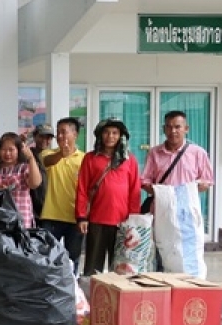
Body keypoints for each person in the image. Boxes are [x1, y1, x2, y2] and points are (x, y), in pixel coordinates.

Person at [76, 119, 141, 276]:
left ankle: (116, 297)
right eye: (106, 132)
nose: (110, 136)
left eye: (115, 133)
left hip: (122, 221)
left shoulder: (129, 160)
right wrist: (81, 217)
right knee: (92, 266)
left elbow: (134, 190)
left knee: (119, 266)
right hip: (97, 220)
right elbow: (82, 188)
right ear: (100, 135)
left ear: (121, 136)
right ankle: (91, 295)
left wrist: (133, 219)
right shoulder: (90, 158)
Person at [40, 117, 85, 271]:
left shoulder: (84, 159)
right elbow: (47, 162)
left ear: (75, 135)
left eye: (64, 132)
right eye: (58, 133)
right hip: (51, 216)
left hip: (75, 218)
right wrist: (61, 155)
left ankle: (72, 290)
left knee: (73, 259)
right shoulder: (48, 153)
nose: (60, 136)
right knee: (48, 258)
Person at [142, 110, 214, 198]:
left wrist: (189, 190)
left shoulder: (198, 153)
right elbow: (145, 181)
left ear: (186, 129)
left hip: (188, 207)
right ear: (164, 129)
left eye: (177, 127)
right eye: (169, 127)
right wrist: (161, 192)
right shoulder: (154, 153)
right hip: (162, 207)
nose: (173, 131)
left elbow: (207, 181)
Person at [0, 132, 43, 229]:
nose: (7, 153)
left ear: (18, 151)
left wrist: (30, 158)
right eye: (4, 149)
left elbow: (35, 184)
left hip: (21, 217)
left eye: (11, 150)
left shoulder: (24, 167)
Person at [29, 124, 54, 222]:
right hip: (31, 206)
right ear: (35, 136)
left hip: (49, 208)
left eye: (48, 137)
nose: (45, 140)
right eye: (41, 136)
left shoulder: (54, 156)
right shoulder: (27, 154)